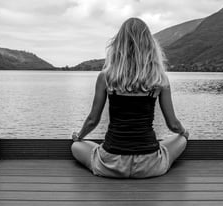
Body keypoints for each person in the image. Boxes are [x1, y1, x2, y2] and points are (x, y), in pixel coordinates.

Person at [71, 17, 188, 178]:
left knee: (77, 146)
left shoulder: (106, 76)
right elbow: (173, 125)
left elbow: (92, 120)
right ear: (149, 45)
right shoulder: (159, 79)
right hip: (150, 164)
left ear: (119, 45)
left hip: (111, 163)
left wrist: (80, 135)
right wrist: (184, 132)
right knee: (180, 140)